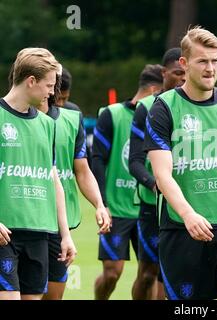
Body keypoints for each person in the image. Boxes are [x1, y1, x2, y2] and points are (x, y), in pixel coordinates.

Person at [144, 26, 217, 300]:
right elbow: (163, 176)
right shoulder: (164, 108)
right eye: (202, 61)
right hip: (184, 231)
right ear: (184, 64)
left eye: (215, 61)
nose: (210, 68)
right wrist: (188, 215)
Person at [0, 48, 76, 300]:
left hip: (39, 234)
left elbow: (53, 180)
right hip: (4, 233)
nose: (52, 93)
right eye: (49, 85)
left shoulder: (47, 125)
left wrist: (65, 235)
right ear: (31, 81)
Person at [33, 69, 111, 300]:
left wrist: (99, 204)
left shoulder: (71, 118)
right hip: (27, 216)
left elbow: (82, 170)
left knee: (54, 295)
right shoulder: (12, 116)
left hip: (60, 221)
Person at [92, 64, 163, 300]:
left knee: (149, 275)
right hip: (118, 208)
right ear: (154, 89)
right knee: (112, 273)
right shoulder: (111, 114)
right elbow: (98, 160)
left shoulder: (163, 115)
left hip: (148, 208)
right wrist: (103, 203)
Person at [128, 48, 184, 300]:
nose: (182, 78)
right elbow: (135, 162)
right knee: (149, 272)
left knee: (176, 272)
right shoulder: (146, 108)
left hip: (188, 204)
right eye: (177, 73)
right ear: (164, 73)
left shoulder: (196, 106)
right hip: (153, 206)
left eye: (185, 73)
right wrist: (154, 184)